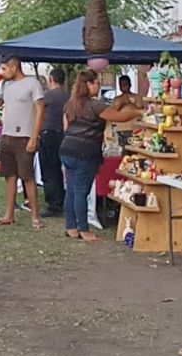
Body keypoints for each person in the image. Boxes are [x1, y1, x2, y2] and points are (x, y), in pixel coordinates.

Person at [59, 70, 143, 241]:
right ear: (88, 85)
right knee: (81, 191)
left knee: (72, 190)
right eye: (96, 82)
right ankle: (83, 229)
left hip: (67, 148)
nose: (99, 85)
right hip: (85, 151)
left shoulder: (70, 104)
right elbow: (119, 117)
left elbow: (66, 127)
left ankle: (71, 227)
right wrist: (139, 112)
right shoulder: (94, 105)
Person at [0, 55, 46, 228]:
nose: (2, 72)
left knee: (27, 176)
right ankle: (9, 214)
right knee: (9, 176)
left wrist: (34, 136)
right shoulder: (5, 85)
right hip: (7, 136)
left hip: (24, 137)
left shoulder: (32, 83)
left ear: (14, 67)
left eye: (5, 69)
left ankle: (35, 216)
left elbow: (40, 110)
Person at [38, 68, 68, 217]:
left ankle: (54, 204)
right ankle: (63, 199)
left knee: (49, 170)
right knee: (62, 168)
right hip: (64, 134)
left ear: (51, 79)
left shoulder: (46, 96)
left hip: (48, 133)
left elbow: (38, 113)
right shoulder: (68, 96)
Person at [112, 74, 145, 148]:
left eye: (125, 85)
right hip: (121, 129)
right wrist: (121, 103)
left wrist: (130, 104)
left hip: (134, 129)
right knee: (123, 152)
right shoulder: (116, 99)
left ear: (130, 85)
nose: (123, 87)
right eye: (121, 85)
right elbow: (113, 112)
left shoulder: (137, 97)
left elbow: (141, 111)